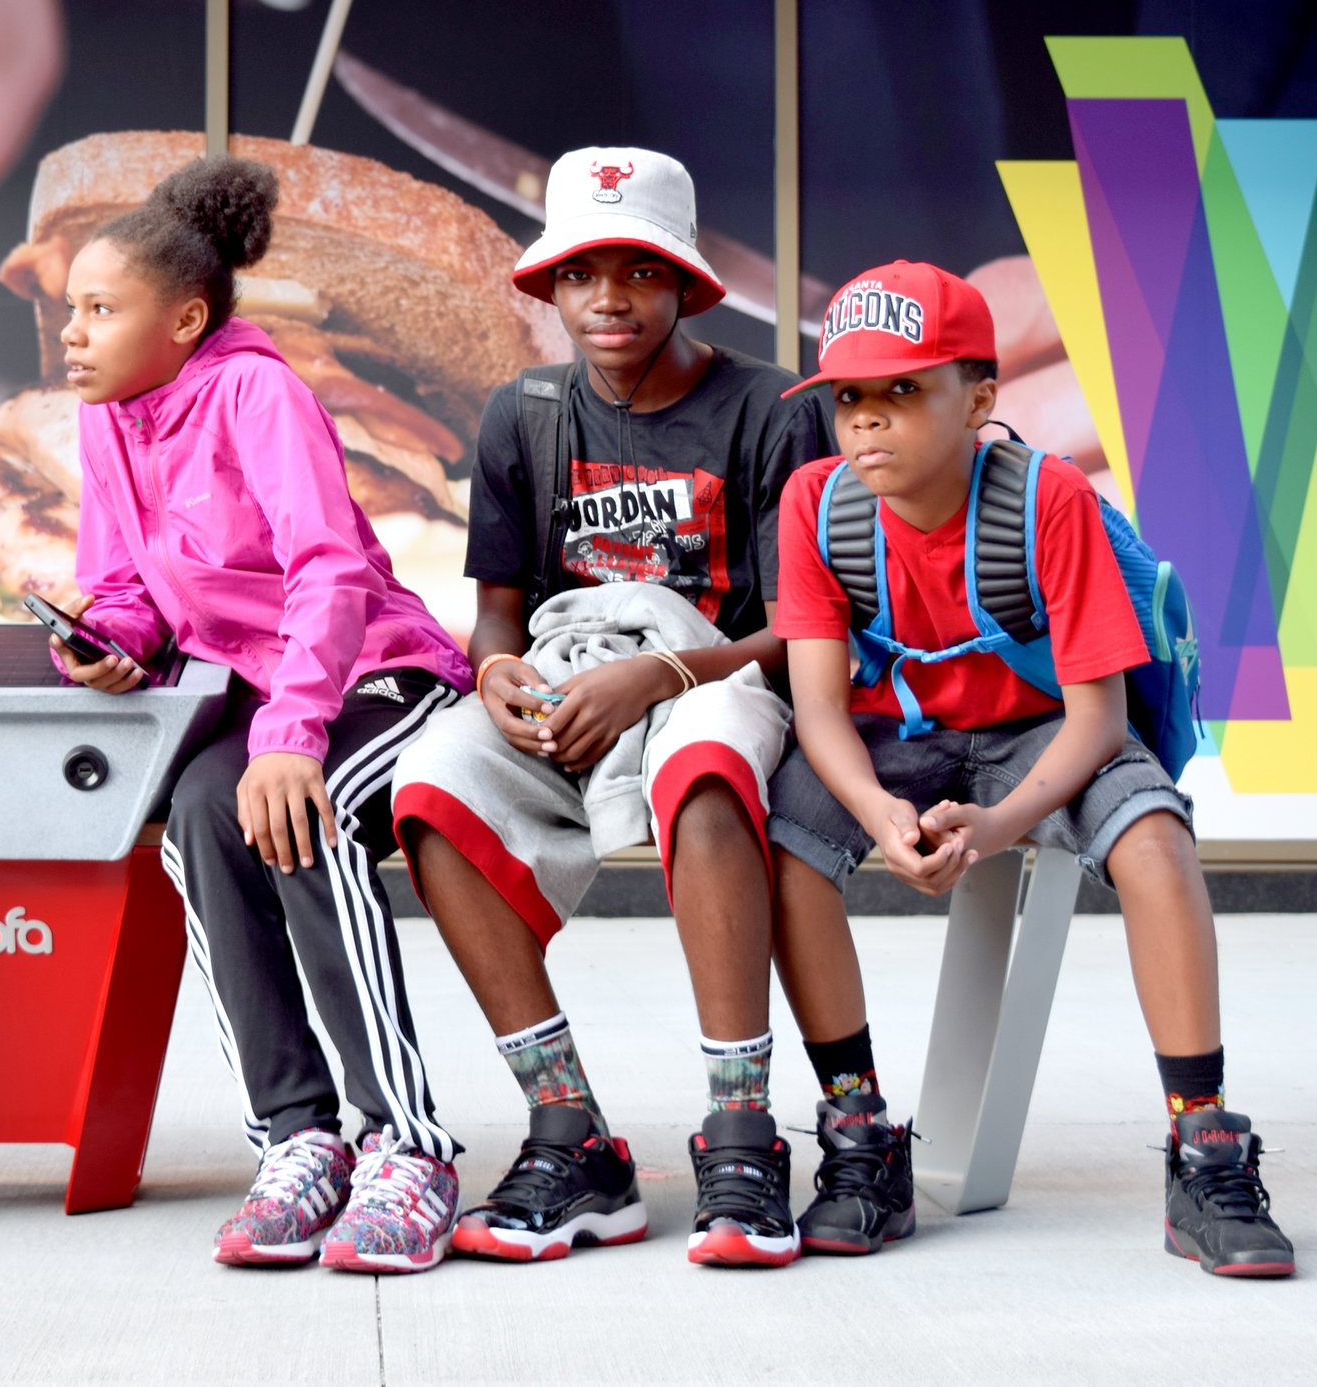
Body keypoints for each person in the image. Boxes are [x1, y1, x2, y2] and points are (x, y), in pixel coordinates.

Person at [392, 147, 911, 1270]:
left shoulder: (770, 405)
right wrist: (495, 678)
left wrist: (660, 676)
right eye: (583, 272)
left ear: (688, 283)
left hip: (720, 678)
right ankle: (570, 1132)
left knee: (710, 761)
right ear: (548, 287)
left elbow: (800, 630)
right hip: (568, 684)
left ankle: (739, 1133)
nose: (610, 297)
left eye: (639, 269)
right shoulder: (519, 412)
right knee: (429, 782)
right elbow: (493, 615)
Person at [768, 258, 1296, 1278]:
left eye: (902, 392)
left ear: (977, 397)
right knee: (784, 841)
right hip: (895, 736)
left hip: (1042, 733)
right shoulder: (815, 505)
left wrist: (1001, 822)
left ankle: (1205, 1141)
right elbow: (820, 707)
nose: (867, 422)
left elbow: (1098, 715)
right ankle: (858, 1133)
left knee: (1154, 837)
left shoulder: (1043, 494)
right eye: (848, 398)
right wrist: (878, 808)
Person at [52, 154, 474, 1274]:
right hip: (258, 692)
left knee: (307, 808)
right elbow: (128, 587)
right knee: (200, 814)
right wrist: (112, 642)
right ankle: (297, 1138)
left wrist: (289, 739)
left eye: (100, 309)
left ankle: (407, 1144)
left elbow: (327, 570)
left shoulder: (257, 390)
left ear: (185, 317)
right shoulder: (106, 418)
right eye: (68, 312)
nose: (73, 334)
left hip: (375, 672)